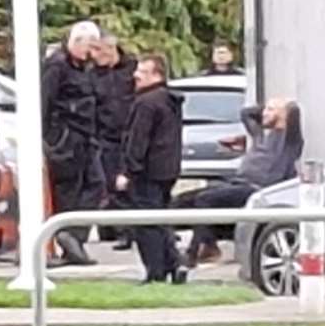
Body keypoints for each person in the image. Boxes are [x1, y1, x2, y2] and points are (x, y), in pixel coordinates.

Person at [179, 98, 304, 265]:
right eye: (265, 109)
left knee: (206, 199)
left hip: (257, 189)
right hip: (237, 183)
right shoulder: (260, 135)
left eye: (271, 110)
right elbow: (246, 113)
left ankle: (199, 251)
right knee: (185, 200)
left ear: (284, 115)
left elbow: (294, 114)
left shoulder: (289, 141)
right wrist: (268, 111)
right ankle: (176, 249)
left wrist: (284, 108)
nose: (265, 113)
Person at [115, 54, 183, 284]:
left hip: (147, 172)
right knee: (161, 219)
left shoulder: (146, 102)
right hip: (167, 170)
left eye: (142, 72)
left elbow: (138, 140)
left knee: (147, 224)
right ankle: (174, 263)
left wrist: (127, 171)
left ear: (156, 75)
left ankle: (156, 272)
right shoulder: (169, 100)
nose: (135, 76)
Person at [42, 21, 101, 265]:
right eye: (89, 46)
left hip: (85, 137)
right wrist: (49, 140)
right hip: (65, 138)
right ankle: (69, 241)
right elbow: (44, 102)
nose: (92, 53)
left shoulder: (83, 68)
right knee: (68, 192)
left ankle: (73, 237)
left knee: (96, 185)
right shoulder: (56, 67)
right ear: (76, 43)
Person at [93, 35, 139, 249]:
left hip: (129, 135)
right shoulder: (94, 74)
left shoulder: (131, 70)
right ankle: (115, 230)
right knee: (110, 185)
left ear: (112, 50)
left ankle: (131, 231)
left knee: (129, 185)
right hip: (105, 137)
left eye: (100, 51)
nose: (96, 57)